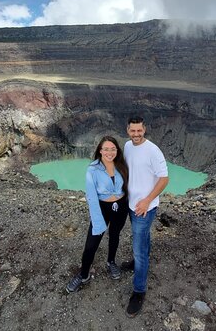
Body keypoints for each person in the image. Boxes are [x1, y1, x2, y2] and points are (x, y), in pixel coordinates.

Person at [66, 136, 129, 293]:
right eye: (106, 149)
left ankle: (111, 262)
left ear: (117, 150)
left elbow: (128, 186)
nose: (109, 152)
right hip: (102, 207)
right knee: (91, 244)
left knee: (115, 235)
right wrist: (97, 219)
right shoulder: (93, 169)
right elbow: (92, 196)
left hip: (121, 206)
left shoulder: (121, 165)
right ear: (100, 151)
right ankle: (83, 274)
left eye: (113, 149)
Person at [123, 116, 169, 317]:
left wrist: (147, 200)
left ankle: (139, 291)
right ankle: (138, 262)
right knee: (142, 240)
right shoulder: (126, 146)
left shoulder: (153, 150)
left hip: (145, 208)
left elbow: (164, 178)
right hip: (131, 204)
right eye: (133, 131)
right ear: (127, 130)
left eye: (139, 131)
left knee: (139, 246)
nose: (136, 134)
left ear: (145, 129)